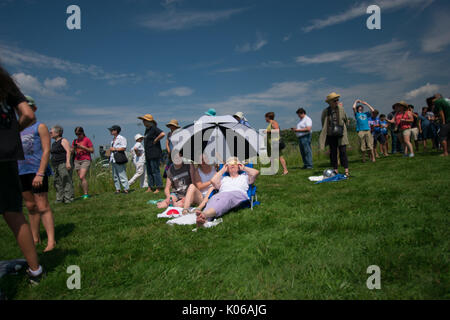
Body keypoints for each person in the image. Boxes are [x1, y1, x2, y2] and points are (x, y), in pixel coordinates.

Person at [0, 65, 44, 284]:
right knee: (14, 212)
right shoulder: (6, 83)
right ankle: (35, 270)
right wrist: (10, 132)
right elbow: (27, 115)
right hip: (7, 154)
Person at [18, 96, 56, 253]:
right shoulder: (18, 129)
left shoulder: (40, 127)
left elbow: (47, 150)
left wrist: (41, 172)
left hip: (36, 171)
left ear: (34, 109)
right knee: (30, 206)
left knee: (42, 205)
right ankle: (34, 238)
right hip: (21, 171)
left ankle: (51, 240)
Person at [195, 157, 259, 228]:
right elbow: (213, 181)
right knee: (213, 199)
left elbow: (256, 172)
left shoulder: (245, 176)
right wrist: (222, 170)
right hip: (221, 194)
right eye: (229, 163)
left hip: (237, 195)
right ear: (227, 168)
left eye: (234, 163)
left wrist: (244, 168)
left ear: (239, 165)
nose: (232, 165)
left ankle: (204, 214)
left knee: (227, 197)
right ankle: (204, 221)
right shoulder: (223, 179)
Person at [319, 92, 350, 176]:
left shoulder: (341, 108)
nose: (336, 101)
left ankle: (346, 170)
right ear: (330, 102)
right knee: (333, 153)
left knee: (343, 151)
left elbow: (346, 119)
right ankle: (335, 170)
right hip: (331, 134)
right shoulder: (325, 111)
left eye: (337, 100)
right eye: (335, 100)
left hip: (341, 133)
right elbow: (323, 122)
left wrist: (345, 124)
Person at [138, 114, 165, 194]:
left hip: (154, 153)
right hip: (148, 153)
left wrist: (156, 139)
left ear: (149, 121)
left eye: (144, 120)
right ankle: (150, 187)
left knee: (155, 170)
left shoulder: (154, 128)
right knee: (149, 171)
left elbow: (163, 134)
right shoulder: (147, 130)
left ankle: (159, 187)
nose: (143, 122)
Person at [50, 125, 74, 204]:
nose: (50, 133)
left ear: (57, 133)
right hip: (55, 164)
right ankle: (59, 198)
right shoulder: (54, 143)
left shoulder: (63, 141)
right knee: (57, 181)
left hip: (62, 163)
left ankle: (68, 198)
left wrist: (67, 162)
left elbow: (68, 151)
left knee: (65, 180)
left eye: (52, 132)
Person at [71, 127, 93, 199]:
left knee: (82, 176)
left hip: (85, 159)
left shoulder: (87, 140)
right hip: (77, 160)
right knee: (81, 178)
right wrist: (73, 149)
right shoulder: (75, 141)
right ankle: (84, 193)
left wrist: (82, 147)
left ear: (82, 133)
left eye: (79, 134)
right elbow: (72, 152)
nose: (78, 135)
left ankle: (86, 194)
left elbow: (92, 150)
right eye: (76, 134)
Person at [108, 125, 129, 194]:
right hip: (113, 158)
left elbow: (124, 148)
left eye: (112, 130)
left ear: (116, 131)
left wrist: (115, 149)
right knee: (115, 175)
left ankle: (126, 189)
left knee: (122, 174)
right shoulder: (112, 140)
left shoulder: (121, 138)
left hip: (119, 158)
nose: (111, 131)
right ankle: (118, 189)